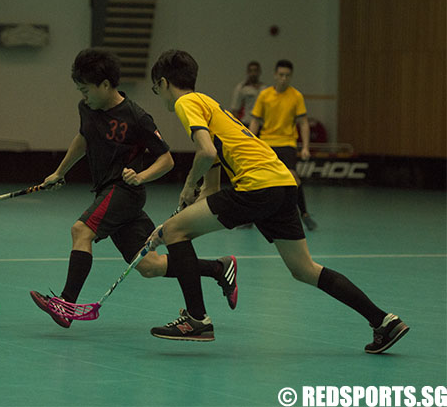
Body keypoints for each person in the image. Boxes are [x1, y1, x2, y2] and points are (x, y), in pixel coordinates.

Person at [146, 49, 408, 354]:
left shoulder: (185, 102)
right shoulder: (209, 103)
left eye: (156, 90)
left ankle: (196, 319)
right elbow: (213, 183)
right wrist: (180, 215)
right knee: (304, 268)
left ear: (164, 83)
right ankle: (383, 321)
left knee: (176, 232)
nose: (160, 96)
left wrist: (184, 193)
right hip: (283, 184)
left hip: (256, 185)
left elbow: (206, 153)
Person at [29, 48, 238, 328]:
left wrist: (141, 177)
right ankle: (218, 268)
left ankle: (67, 304)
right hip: (107, 191)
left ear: (105, 85)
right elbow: (83, 138)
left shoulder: (136, 117)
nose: (83, 96)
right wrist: (59, 172)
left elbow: (166, 159)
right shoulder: (87, 108)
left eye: (86, 89)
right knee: (149, 266)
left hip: (124, 192)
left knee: (81, 231)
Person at [249, 60, 317, 230]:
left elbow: (303, 123)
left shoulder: (296, 96)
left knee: (293, 178)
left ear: (291, 76)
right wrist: (250, 141)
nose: (284, 78)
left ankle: (304, 214)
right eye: (281, 75)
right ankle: (251, 217)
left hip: (287, 143)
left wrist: (306, 147)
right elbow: (255, 121)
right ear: (275, 75)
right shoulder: (264, 95)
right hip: (266, 143)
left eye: (287, 75)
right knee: (259, 180)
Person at [230, 61, 265, 126]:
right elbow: (235, 110)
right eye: (251, 71)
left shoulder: (264, 89)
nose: (253, 73)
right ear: (247, 72)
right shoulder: (242, 88)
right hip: (246, 123)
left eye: (255, 71)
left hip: (261, 124)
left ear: (259, 72)